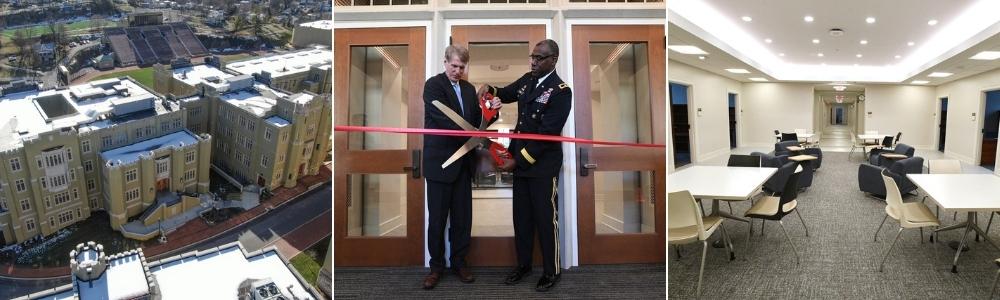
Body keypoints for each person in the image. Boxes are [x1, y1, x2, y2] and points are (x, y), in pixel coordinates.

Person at [477, 39, 572, 292]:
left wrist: (517, 161)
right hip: (521, 166)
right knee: (522, 219)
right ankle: (524, 265)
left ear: (553, 59)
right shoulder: (527, 80)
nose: (533, 61)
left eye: (539, 58)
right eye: (532, 57)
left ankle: (552, 271)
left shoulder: (561, 91)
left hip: (542, 167)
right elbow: (505, 93)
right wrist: (490, 88)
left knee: (545, 220)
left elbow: (548, 134)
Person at [421, 45, 498, 289]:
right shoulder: (433, 86)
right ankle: (436, 267)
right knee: (437, 221)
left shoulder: (468, 89)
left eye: (461, 67)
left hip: (463, 165)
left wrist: (491, 113)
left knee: (463, 220)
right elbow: (445, 119)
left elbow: (477, 121)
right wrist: (476, 135)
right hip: (440, 165)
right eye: (453, 66)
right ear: (445, 62)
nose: (457, 71)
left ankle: (459, 263)